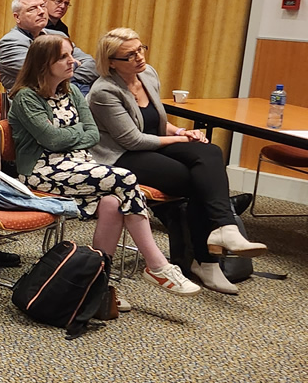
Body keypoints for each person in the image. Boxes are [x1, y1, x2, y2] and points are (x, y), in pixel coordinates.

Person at [7, 34, 200, 298]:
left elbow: (93, 135)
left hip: (80, 164)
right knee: (125, 178)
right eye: (63, 57)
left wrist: (66, 136)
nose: (73, 61)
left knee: (112, 203)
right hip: (43, 170)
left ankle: (97, 286)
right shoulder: (26, 98)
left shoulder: (72, 91)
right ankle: (157, 265)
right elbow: (51, 140)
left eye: (71, 54)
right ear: (43, 63)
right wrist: (73, 134)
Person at [88, 28, 266, 294]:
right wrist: (180, 140)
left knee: (210, 152)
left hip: (153, 144)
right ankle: (206, 260)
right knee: (195, 180)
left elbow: (156, 123)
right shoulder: (104, 91)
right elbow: (133, 140)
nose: (139, 57)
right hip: (121, 156)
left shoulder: (148, 74)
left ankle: (225, 229)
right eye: (130, 55)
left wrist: (183, 132)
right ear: (112, 62)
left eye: (140, 49)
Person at [0, 0, 96, 94]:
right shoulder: (10, 42)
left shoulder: (58, 35)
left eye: (43, 6)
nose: (41, 12)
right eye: (32, 9)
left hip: (67, 94)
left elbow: (92, 64)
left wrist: (70, 78)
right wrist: (74, 65)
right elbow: (41, 73)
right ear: (17, 17)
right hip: (32, 100)